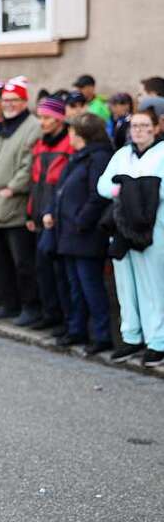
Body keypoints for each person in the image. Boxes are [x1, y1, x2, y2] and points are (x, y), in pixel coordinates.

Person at [97, 107, 164, 367]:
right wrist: (124, 190)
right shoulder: (122, 154)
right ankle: (131, 336)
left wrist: (137, 190)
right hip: (122, 225)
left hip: (154, 228)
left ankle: (157, 341)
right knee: (126, 284)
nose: (137, 130)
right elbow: (103, 185)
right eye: (134, 125)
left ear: (156, 127)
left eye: (144, 125)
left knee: (152, 285)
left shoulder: (161, 154)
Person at [0, 77, 42, 321]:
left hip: (14, 206)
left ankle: (30, 306)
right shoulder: (1, 127)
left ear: (24, 102)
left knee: (23, 262)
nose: (9, 104)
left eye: (15, 100)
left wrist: (13, 188)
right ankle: (9, 303)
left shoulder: (33, 126)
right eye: (6, 100)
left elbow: (29, 164)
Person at [46, 114, 113, 356]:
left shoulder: (99, 157)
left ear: (82, 134)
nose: (69, 136)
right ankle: (76, 330)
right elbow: (62, 191)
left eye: (72, 132)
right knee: (74, 286)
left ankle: (102, 335)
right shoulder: (78, 157)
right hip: (69, 234)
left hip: (85, 234)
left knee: (90, 286)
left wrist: (82, 221)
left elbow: (98, 195)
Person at [21, 96, 73, 329]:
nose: (41, 122)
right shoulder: (41, 144)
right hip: (39, 215)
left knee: (60, 273)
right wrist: (30, 214)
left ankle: (65, 318)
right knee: (42, 270)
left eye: (46, 118)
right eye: (40, 117)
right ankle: (50, 314)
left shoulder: (69, 145)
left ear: (59, 119)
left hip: (58, 218)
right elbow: (35, 182)